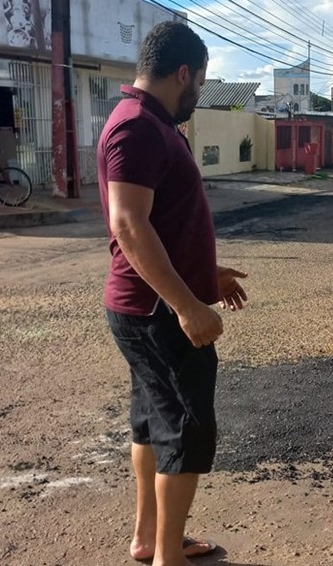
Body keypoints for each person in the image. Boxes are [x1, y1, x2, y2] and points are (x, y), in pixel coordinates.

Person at [97, 21, 248, 566]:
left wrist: (207, 274)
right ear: (184, 72)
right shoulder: (138, 127)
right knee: (186, 428)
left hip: (150, 306)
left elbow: (165, 223)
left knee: (152, 423)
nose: (198, 94)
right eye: (201, 83)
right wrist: (187, 305)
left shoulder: (150, 123)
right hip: (157, 312)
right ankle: (167, 557)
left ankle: (150, 539)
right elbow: (129, 224)